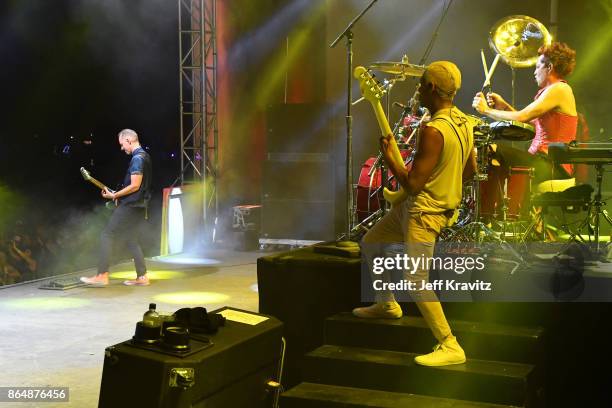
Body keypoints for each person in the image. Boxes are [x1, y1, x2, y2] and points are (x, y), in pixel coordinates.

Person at [353, 61, 476, 366]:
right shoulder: (465, 121)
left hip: (424, 211)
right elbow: (470, 171)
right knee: (372, 241)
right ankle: (386, 304)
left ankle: (449, 344)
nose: (418, 89)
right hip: (415, 206)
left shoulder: (433, 130)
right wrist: (446, 187)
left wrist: (389, 157)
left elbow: (411, 182)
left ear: (432, 88)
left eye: (421, 84)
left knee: (416, 277)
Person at [472, 42, 578, 183]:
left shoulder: (560, 89)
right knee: (490, 154)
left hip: (552, 165)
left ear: (550, 67)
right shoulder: (553, 90)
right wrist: (504, 106)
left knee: (488, 150)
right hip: (542, 161)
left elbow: (522, 116)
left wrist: (486, 110)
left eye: (537, 67)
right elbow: (531, 123)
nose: (534, 72)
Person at [81, 129, 152, 286]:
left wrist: (114, 196)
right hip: (140, 206)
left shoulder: (137, 159)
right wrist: (117, 194)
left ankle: (102, 274)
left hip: (132, 205)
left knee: (107, 234)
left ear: (129, 140)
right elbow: (138, 187)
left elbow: (135, 186)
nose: (122, 148)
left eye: (122, 144)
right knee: (131, 239)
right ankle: (142, 277)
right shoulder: (145, 156)